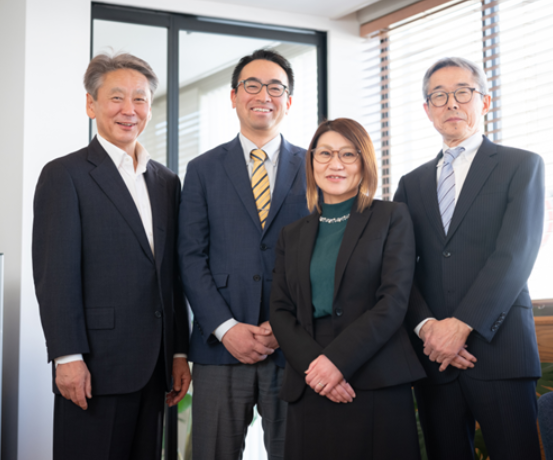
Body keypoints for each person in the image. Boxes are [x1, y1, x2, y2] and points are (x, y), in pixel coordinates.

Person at [32, 53, 191, 460]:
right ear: (91, 105)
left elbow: (170, 276)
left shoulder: (167, 181)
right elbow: (55, 275)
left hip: (155, 367)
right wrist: (67, 357)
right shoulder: (64, 175)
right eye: (116, 97)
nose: (129, 110)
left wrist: (178, 352)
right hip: (94, 366)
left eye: (140, 99)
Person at [394, 57, 544, 460]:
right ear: (427, 110)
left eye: (463, 92)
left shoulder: (521, 165)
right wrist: (428, 328)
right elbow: (400, 269)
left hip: (501, 352)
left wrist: (460, 326)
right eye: (439, 96)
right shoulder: (410, 184)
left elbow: (515, 254)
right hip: (434, 360)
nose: (451, 103)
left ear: (485, 101)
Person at [178, 49, 309, 459]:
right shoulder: (202, 169)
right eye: (252, 85)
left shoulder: (316, 167)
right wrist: (225, 327)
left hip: (293, 348)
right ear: (234, 97)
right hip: (220, 347)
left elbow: (326, 256)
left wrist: (285, 325)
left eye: (275, 87)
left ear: (289, 101)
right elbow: (190, 257)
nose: (263, 95)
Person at [269, 118, 426, 460]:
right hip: (310, 376)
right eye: (325, 153)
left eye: (347, 154)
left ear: (363, 162)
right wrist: (317, 366)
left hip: (374, 373)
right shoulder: (291, 234)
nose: (335, 164)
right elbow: (279, 309)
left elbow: (393, 300)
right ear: (312, 162)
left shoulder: (392, 217)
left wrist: (338, 361)